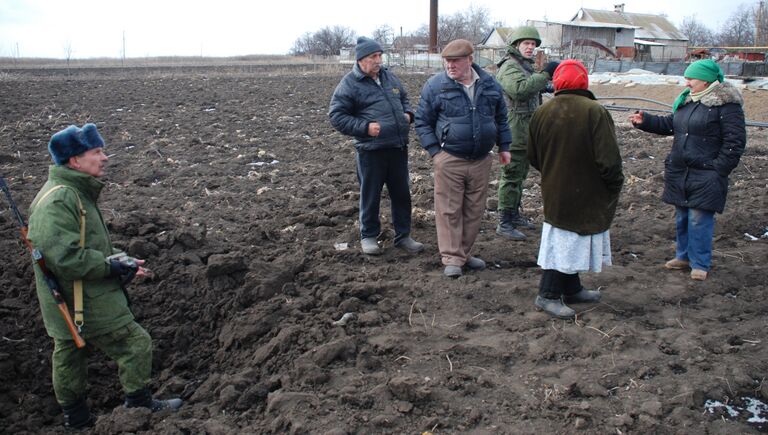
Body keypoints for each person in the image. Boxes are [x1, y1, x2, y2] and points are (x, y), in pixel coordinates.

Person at [27, 124, 182, 429]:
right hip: (84, 300)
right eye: (96, 152)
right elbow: (67, 258)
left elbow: (86, 247)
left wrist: (122, 261)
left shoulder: (73, 192)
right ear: (74, 161)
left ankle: (78, 420)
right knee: (135, 343)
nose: (105, 157)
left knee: (69, 355)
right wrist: (112, 267)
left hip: (71, 298)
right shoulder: (61, 200)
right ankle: (139, 407)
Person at [629, 59, 746, 281]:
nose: (687, 82)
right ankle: (683, 257)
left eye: (691, 78)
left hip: (706, 172)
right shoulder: (688, 102)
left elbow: (735, 141)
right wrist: (645, 121)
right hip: (681, 170)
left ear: (705, 80)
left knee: (699, 218)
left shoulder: (726, 106)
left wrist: (719, 169)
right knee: (683, 216)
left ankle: (700, 263)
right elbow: (672, 125)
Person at [528, 60, 624, 319]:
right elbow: (609, 160)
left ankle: (571, 288)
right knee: (566, 241)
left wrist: (553, 172)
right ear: (584, 81)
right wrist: (614, 184)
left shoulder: (542, 111)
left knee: (566, 237)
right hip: (588, 190)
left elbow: (533, 156)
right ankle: (547, 295)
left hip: (555, 188)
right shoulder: (595, 111)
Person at [415, 39, 512, 278]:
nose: (450, 66)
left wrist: (505, 146)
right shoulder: (436, 86)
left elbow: (501, 117)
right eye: (447, 62)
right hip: (450, 158)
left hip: (481, 159)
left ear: (470, 59)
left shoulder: (490, 85)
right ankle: (451, 257)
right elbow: (422, 121)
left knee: (474, 210)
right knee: (449, 209)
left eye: (455, 61)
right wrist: (436, 153)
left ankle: (464, 254)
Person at [329, 36, 424, 255]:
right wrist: (364, 128)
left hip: (398, 147)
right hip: (371, 151)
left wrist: (408, 114)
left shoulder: (389, 77)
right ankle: (369, 236)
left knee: (402, 194)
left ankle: (403, 236)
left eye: (380, 55)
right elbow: (336, 116)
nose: (378, 60)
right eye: (374, 56)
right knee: (370, 195)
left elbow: (404, 98)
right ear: (361, 59)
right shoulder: (350, 84)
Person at [494, 26, 559, 241]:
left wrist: (545, 86)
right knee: (511, 175)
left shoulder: (524, 67)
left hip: (526, 128)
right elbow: (519, 90)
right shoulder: (509, 67)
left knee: (520, 175)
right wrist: (545, 74)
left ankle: (513, 215)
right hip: (514, 129)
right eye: (526, 44)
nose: (530, 48)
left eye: (533, 44)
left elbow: (531, 88)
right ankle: (504, 222)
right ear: (516, 45)